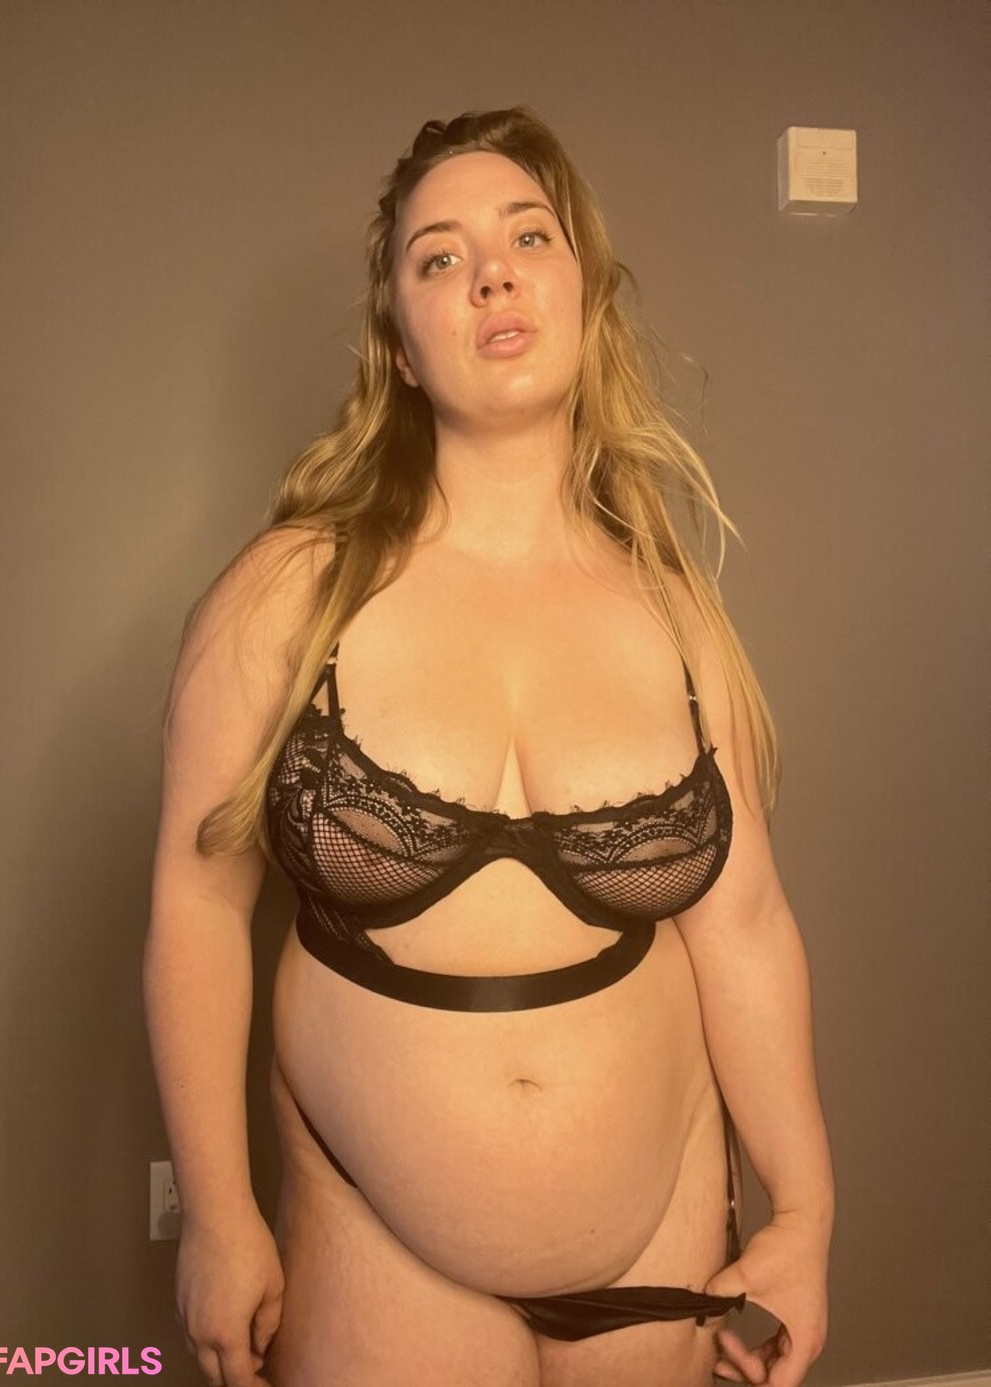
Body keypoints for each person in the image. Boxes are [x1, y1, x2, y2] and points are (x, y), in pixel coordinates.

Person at [144, 106, 834, 1387]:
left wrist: (805, 1211)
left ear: (583, 294)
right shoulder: (288, 596)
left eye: (528, 237)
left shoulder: (675, 612)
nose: (493, 275)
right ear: (401, 349)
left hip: (666, 1235)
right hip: (377, 1237)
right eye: (440, 258)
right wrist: (220, 1214)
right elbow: (197, 903)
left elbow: (743, 928)